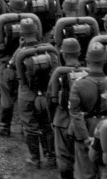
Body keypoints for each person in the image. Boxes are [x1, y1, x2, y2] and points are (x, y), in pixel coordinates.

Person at [12, 17, 60, 168]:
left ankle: (35, 158)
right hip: (45, 94)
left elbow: (12, 67)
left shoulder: (21, 53)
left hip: (27, 95)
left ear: (22, 33)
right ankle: (51, 156)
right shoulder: (49, 50)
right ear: (36, 31)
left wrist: (19, 47)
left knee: (30, 126)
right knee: (47, 125)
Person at [69, 43, 107, 179]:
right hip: (105, 128)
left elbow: (75, 113)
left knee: (84, 171)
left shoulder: (79, 84)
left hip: (86, 128)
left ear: (87, 60)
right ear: (104, 60)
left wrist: (85, 138)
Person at [48, 37, 83, 178]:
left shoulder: (58, 73)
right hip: (83, 121)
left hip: (62, 120)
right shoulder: (89, 73)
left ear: (63, 54)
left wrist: (52, 119)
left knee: (64, 158)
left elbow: (50, 99)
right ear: (79, 53)